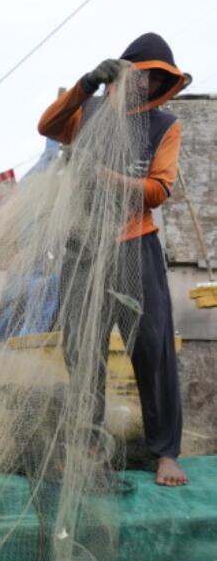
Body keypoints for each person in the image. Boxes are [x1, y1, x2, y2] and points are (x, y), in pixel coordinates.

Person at [37, 33, 190, 487]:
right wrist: (85, 84)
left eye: (153, 79)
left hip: (134, 245)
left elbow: (159, 190)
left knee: (153, 349)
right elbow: (47, 126)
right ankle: (87, 442)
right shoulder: (88, 111)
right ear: (122, 75)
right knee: (83, 350)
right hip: (83, 246)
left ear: (161, 83)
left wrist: (105, 176)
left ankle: (165, 454)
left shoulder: (166, 126)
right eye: (137, 75)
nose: (142, 84)